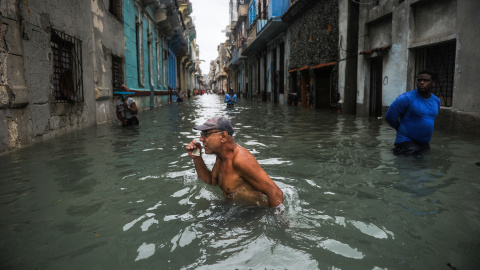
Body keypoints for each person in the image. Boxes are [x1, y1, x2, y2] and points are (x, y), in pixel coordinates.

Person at [185, 116, 283, 207]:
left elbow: (275, 192)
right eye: (202, 134)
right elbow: (210, 181)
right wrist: (197, 157)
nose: (201, 139)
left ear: (223, 136)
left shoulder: (240, 160)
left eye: (206, 135)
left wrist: (277, 222)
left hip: (255, 212)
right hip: (236, 208)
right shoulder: (220, 157)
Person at [385, 69, 441, 155]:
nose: (421, 82)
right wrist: (399, 128)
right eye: (419, 80)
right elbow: (389, 117)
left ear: (433, 83)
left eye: (426, 80)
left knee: (424, 166)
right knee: (413, 167)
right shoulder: (406, 98)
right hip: (406, 142)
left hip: (424, 144)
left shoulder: (436, 101)